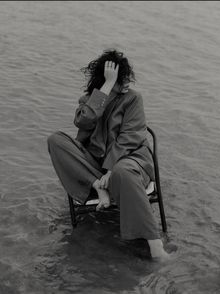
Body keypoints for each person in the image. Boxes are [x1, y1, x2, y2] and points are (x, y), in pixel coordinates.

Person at [47, 49, 170, 260]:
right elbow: (83, 122)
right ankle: (97, 186)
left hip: (130, 160)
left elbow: (129, 138)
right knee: (55, 140)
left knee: (123, 172)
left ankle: (155, 246)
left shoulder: (133, 99)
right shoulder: (89, 100)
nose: (126, 82)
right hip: (94, 165)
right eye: (119, 78)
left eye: (123, 76)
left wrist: (110, 169)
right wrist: (106, 88)